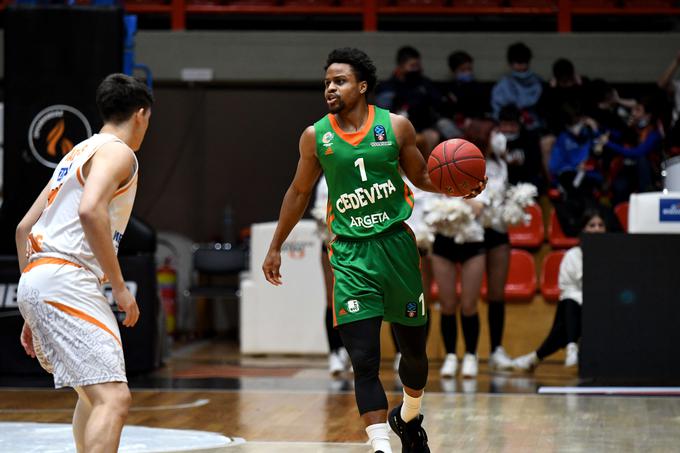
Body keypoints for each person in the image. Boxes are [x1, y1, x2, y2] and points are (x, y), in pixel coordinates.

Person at [262, 47, 483, 453]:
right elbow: (297, 192)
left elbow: (422, 177)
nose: (330, 87)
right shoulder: (315, 136)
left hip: (397, 247)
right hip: (349, 253)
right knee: (363, 359)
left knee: (414, 355)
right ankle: (380, 445)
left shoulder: (397, 127)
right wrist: (276, 245)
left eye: (340, 81)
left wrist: (459, 186)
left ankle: (409, 416)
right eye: (327, 81)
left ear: (362, 86)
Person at [15, 73, 153, 453]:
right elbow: (92, 210)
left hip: (40, 277)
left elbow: (24, 228)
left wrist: (32, 307)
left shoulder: (76, 153)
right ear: (141, 114)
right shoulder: (119, 152)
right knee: (115, 399)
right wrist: (121, 288)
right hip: (67, 278)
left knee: (92, 396)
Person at [512, 209, 606, 371]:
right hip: (576, 306)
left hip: (603, 307)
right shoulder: (573, 256)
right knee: (569, 302)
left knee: (564, 320)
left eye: (600, 225)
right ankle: (569, 347)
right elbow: (570, 288)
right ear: (583, 230)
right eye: (592, 225)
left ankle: (543, 354)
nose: (597, 229)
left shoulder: (612, 255)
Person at [375, 46, 456, 154]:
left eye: (418, 65)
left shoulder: (424, 84)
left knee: (436, 133)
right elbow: (383, 114)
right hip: (398, 128)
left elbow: (439, 103)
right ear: (401, 66)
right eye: (412, 66)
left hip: (423, 126)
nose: (416, 69)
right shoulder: (388, 88)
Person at [313, 176, 351, 376]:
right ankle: (334, 352)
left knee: (357, 299)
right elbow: (320, 213)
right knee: (332, 299)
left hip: (357, 244)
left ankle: (353, 352)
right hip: (331, 244)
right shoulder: (324, 182)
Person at [491, 42, 544, 132]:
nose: (521, 66)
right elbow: (497, 112)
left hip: (533, 129)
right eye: (517, 62)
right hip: (508, 128)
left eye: (524, 62)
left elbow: (542, 113)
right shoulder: (503, 84)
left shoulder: (537, 83)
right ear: (511, 64)